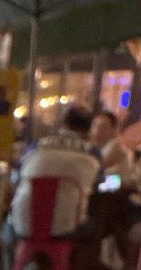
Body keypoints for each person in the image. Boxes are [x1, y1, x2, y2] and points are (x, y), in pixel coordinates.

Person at [6, 104, 102, 243]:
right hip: (68, 227)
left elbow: (16, 179)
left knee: (7, 227)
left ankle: (10, 256)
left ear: (63, 124)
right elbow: (99, 183)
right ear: (89, 129)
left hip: (23, 223)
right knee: (96, 224)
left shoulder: (35, 147)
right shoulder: (93, 153)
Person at [89, 111, 141, 194]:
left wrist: (101, 181)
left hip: (112, 193)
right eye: (95, 125)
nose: (97, 129)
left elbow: (124, 179)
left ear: (114, 130)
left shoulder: (120, 152)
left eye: (104, 126)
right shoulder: (93, 148)